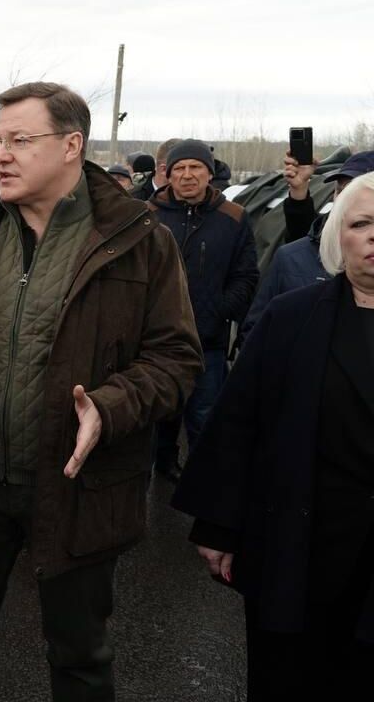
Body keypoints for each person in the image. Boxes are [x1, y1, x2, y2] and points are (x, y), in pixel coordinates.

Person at [0, 82, 201, 701]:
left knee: (80, 653)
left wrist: (111, 408)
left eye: (19, 140)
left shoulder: (141, 241)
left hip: (78, 483)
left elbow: (176, 358)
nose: (1, 155)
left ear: (71, 145)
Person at [172, 171, 374, 700]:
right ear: (338, 237)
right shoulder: (292, 317)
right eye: (362, 223)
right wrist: (219, 525)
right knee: (294, 676)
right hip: (301, 537)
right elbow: (240, 421)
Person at [148, 139, 259, 481]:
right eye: (179, 168)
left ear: (209, 173)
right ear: (167, 175)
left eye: (195, 167)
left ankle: (203, 488)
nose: (187, 175)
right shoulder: (148, 215)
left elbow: (246, 276)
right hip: (157, 340)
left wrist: (218, 311)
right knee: (160, 414)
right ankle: (161, 467)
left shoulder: (233, 217)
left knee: (204, 416)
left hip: (206, 342)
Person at [243, 152, 374, 337]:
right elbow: (256, 331)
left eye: (355, 191)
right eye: (340, 189)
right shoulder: (291, 258)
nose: (344, 199)